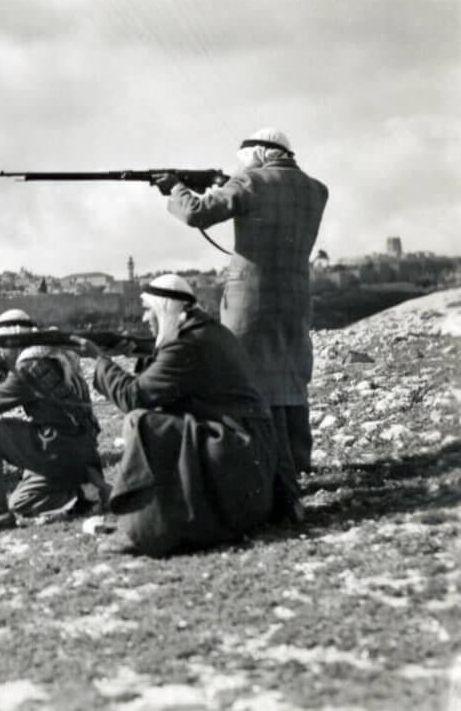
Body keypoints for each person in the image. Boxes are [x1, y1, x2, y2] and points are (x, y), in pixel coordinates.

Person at [152, 128, 328, 477]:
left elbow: (195, 214)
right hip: (294, 296)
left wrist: (176, 187)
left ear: (259, 155)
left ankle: (265, 461)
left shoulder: (251, 182)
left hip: (252, 299)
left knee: (249, 376)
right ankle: (297, 459)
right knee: (290, 373)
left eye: (244, 161)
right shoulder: (315, 189)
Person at [72, 274, 286, 557]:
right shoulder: (211, 332)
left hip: (236, 454)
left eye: (150, 310)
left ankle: (141, 530)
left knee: (142, 423)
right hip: (247, 457)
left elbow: (134, 397)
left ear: (165, 310)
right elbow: (175, 373)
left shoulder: (186, 345)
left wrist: (100, 361)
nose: (146, 318)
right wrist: (140, 349)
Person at [0, 309, 105, 534]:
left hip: (59, 447)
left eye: (1, 345)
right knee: (20, 502)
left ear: (14, 340)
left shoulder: (27, 369)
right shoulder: (52, 357)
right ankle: (84, 492)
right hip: (82, 453)